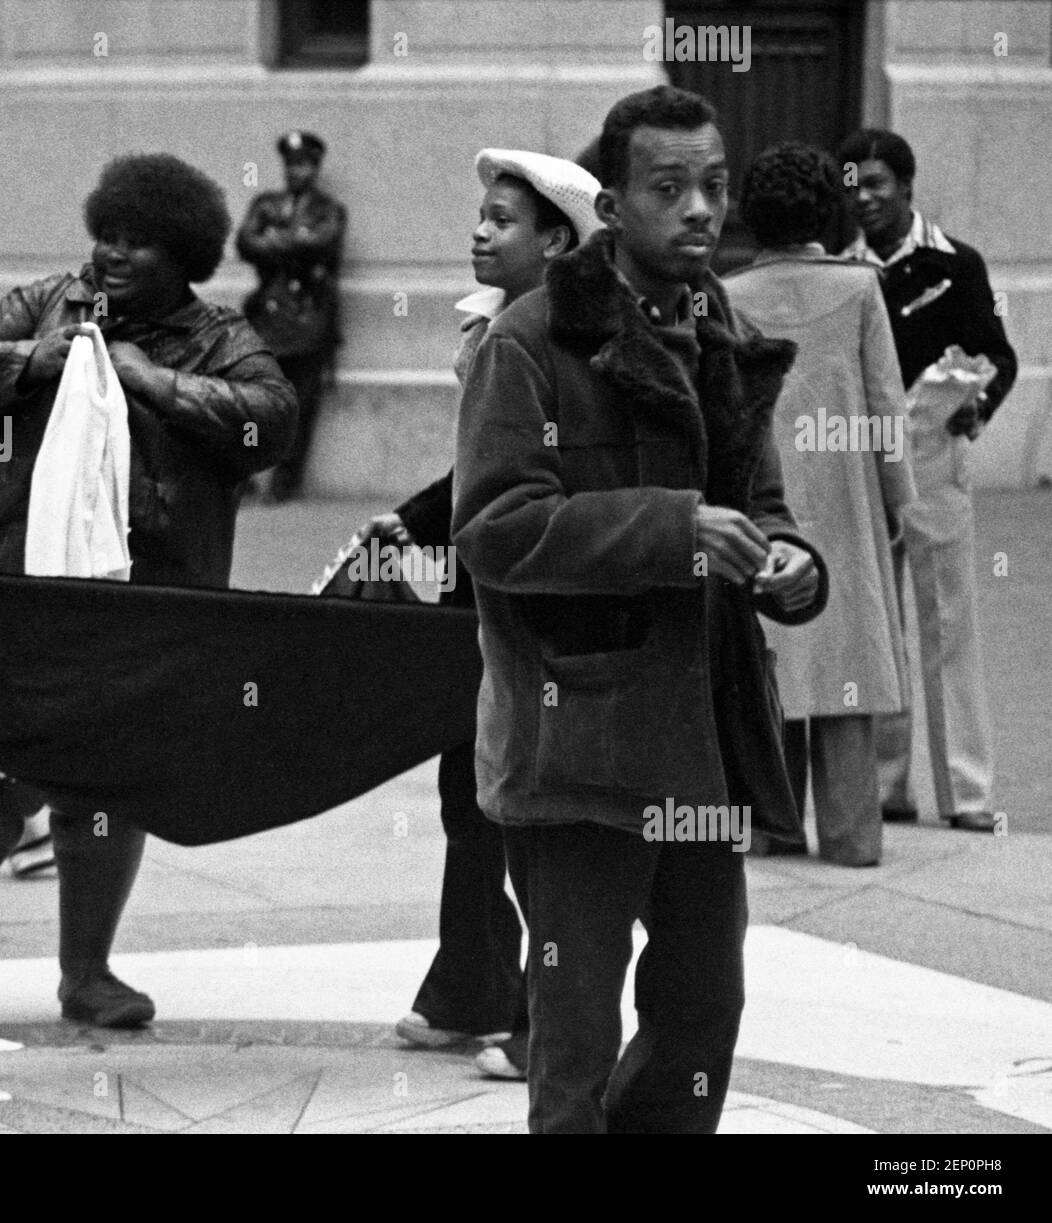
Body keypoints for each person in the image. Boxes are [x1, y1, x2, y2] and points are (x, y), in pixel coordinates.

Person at [452, 85, 828, 1133]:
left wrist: (789, 563)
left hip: (702, 735)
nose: (701, 209)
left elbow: (761, 508)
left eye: (712, 185)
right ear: (611, 206)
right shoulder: (529, 341)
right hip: (576, 739)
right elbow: (494, 527)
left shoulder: (726, 332)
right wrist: (674, 529)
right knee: (571, 1028)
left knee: (705, 1006)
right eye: (668, 188)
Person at [0, 153, 297, 1042]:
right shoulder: (52, 302)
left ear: (182, 255)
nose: (110, 255)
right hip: (17, 584)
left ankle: (88, 972)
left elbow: (270, 420)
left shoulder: (221, 336)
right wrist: (37, 359)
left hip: (145, 602)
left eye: (136, 242)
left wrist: (151, 381)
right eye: (105, 234)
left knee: (107, 782)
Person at [361, 150, 602, 1081]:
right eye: (482, 215)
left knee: (529, 816)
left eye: (503, 220)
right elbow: (486, 471)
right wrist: (415, 521)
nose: (480, 230)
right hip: (486, 605)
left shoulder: (557, 344)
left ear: (556, 240)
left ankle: (552, 1028)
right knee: (472, 795)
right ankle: (468, 989)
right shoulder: (500, 330)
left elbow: (546, 481)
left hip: (537, 612)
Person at [727, 143, 917, 867]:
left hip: (763, 500)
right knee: (851, 659)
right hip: (847, 495)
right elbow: (885, 403)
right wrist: (901, 502)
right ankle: (851, 832)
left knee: (776, 660)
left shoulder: (727, 294)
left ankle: (774, 823)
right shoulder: (862, 288)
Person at [837, 128, 1018, 833]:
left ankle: (966, 793)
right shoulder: (845, 273)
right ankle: (888, 787)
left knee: (949, 624)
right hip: (865, 461)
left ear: (908, 188)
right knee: (879, 627)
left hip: (937, 457)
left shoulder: (956, 263)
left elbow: (999, 354)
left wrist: (978, 405)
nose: (865, 197)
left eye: (877, 183)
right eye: (853, 184)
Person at [235, 130, 346, 501]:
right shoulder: (265, 203)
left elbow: (322, 243)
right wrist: (293, 240)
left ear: (315, 168)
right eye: (292, 164)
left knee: (300, 401)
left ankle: (285, 481)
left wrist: (275, 241)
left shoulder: (328, 209)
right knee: (252, 397)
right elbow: (246, 242)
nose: (297, 171)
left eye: (304, 165)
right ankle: (245, 472)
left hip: (308, 318)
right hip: (266, 313)